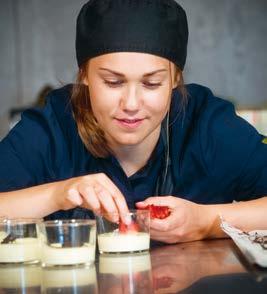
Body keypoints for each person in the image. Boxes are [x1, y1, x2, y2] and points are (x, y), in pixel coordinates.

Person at [0, 0, 266, 244]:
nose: (130, 104)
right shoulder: (53, 125)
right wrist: (56, 194)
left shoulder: (208, 124)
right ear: (85, 76)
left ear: (174, 79)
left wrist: (207, 222)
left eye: (151, 84)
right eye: (113, 82)